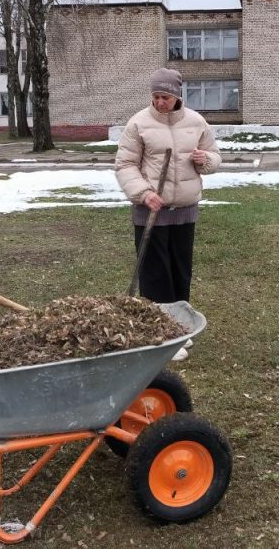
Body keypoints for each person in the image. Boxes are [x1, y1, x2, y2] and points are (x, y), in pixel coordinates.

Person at [115, 68, 221, 361]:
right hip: (151, 210)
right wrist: (143, 193)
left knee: (180, 271)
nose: (160, 102)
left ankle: (180, 327)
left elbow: (215, 156)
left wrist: (205, 160)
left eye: (166, 97)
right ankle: (160, 334)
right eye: (156, 96)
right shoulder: (139, 123)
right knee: (155, 275)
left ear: (177, 96)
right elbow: (125, 165)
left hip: (184, 211)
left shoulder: (196, 122)